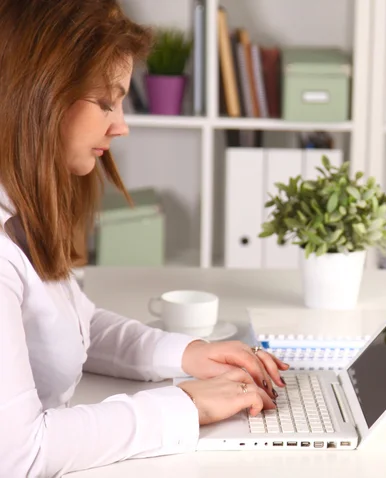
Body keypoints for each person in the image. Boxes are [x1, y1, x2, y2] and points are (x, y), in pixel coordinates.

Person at [0, 1, 289, 476]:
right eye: (105, 102)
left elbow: (76, 326)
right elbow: (20, 455)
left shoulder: (22, 207)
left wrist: (189, 353)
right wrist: (185, 405)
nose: (121, 125)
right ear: (39, 94)